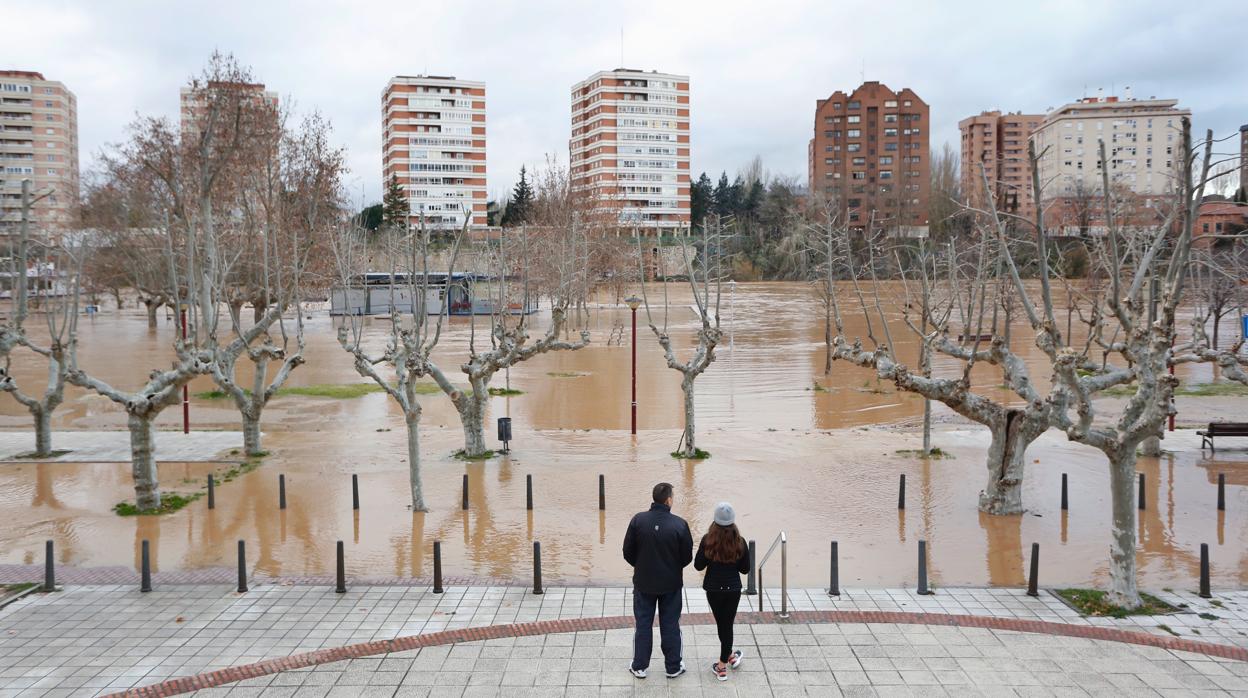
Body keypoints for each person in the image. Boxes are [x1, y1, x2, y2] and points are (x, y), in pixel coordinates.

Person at [622, 482, 693, 679]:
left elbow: (627, 551)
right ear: (669, 500)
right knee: (670, 624)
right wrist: (673, 567)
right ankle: (673, 667)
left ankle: (639, 666)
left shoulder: (638, 520)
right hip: (671, 584)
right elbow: (687, 556)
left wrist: (640, 565)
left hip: (643, 583)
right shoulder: (679, 525)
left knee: (643, 624)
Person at [693, 502, 750, 682]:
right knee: (726, 624)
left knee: (722, 624)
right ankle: (728, 656)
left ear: (715, 521)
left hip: (713, 589)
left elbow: (698, 565)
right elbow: (745, 569)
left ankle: (722, 666)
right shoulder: (740, 542)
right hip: (733, 589)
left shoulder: (707, 540)